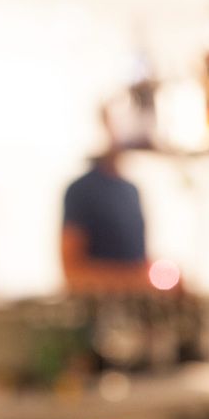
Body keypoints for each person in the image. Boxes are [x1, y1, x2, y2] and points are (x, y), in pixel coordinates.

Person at [60, 108, 153, 293]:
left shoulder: (130, 191)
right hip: (97, 312)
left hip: (134, 309)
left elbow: (139, 262)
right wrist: (136, 280)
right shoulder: (81, 190)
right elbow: (72, 274)